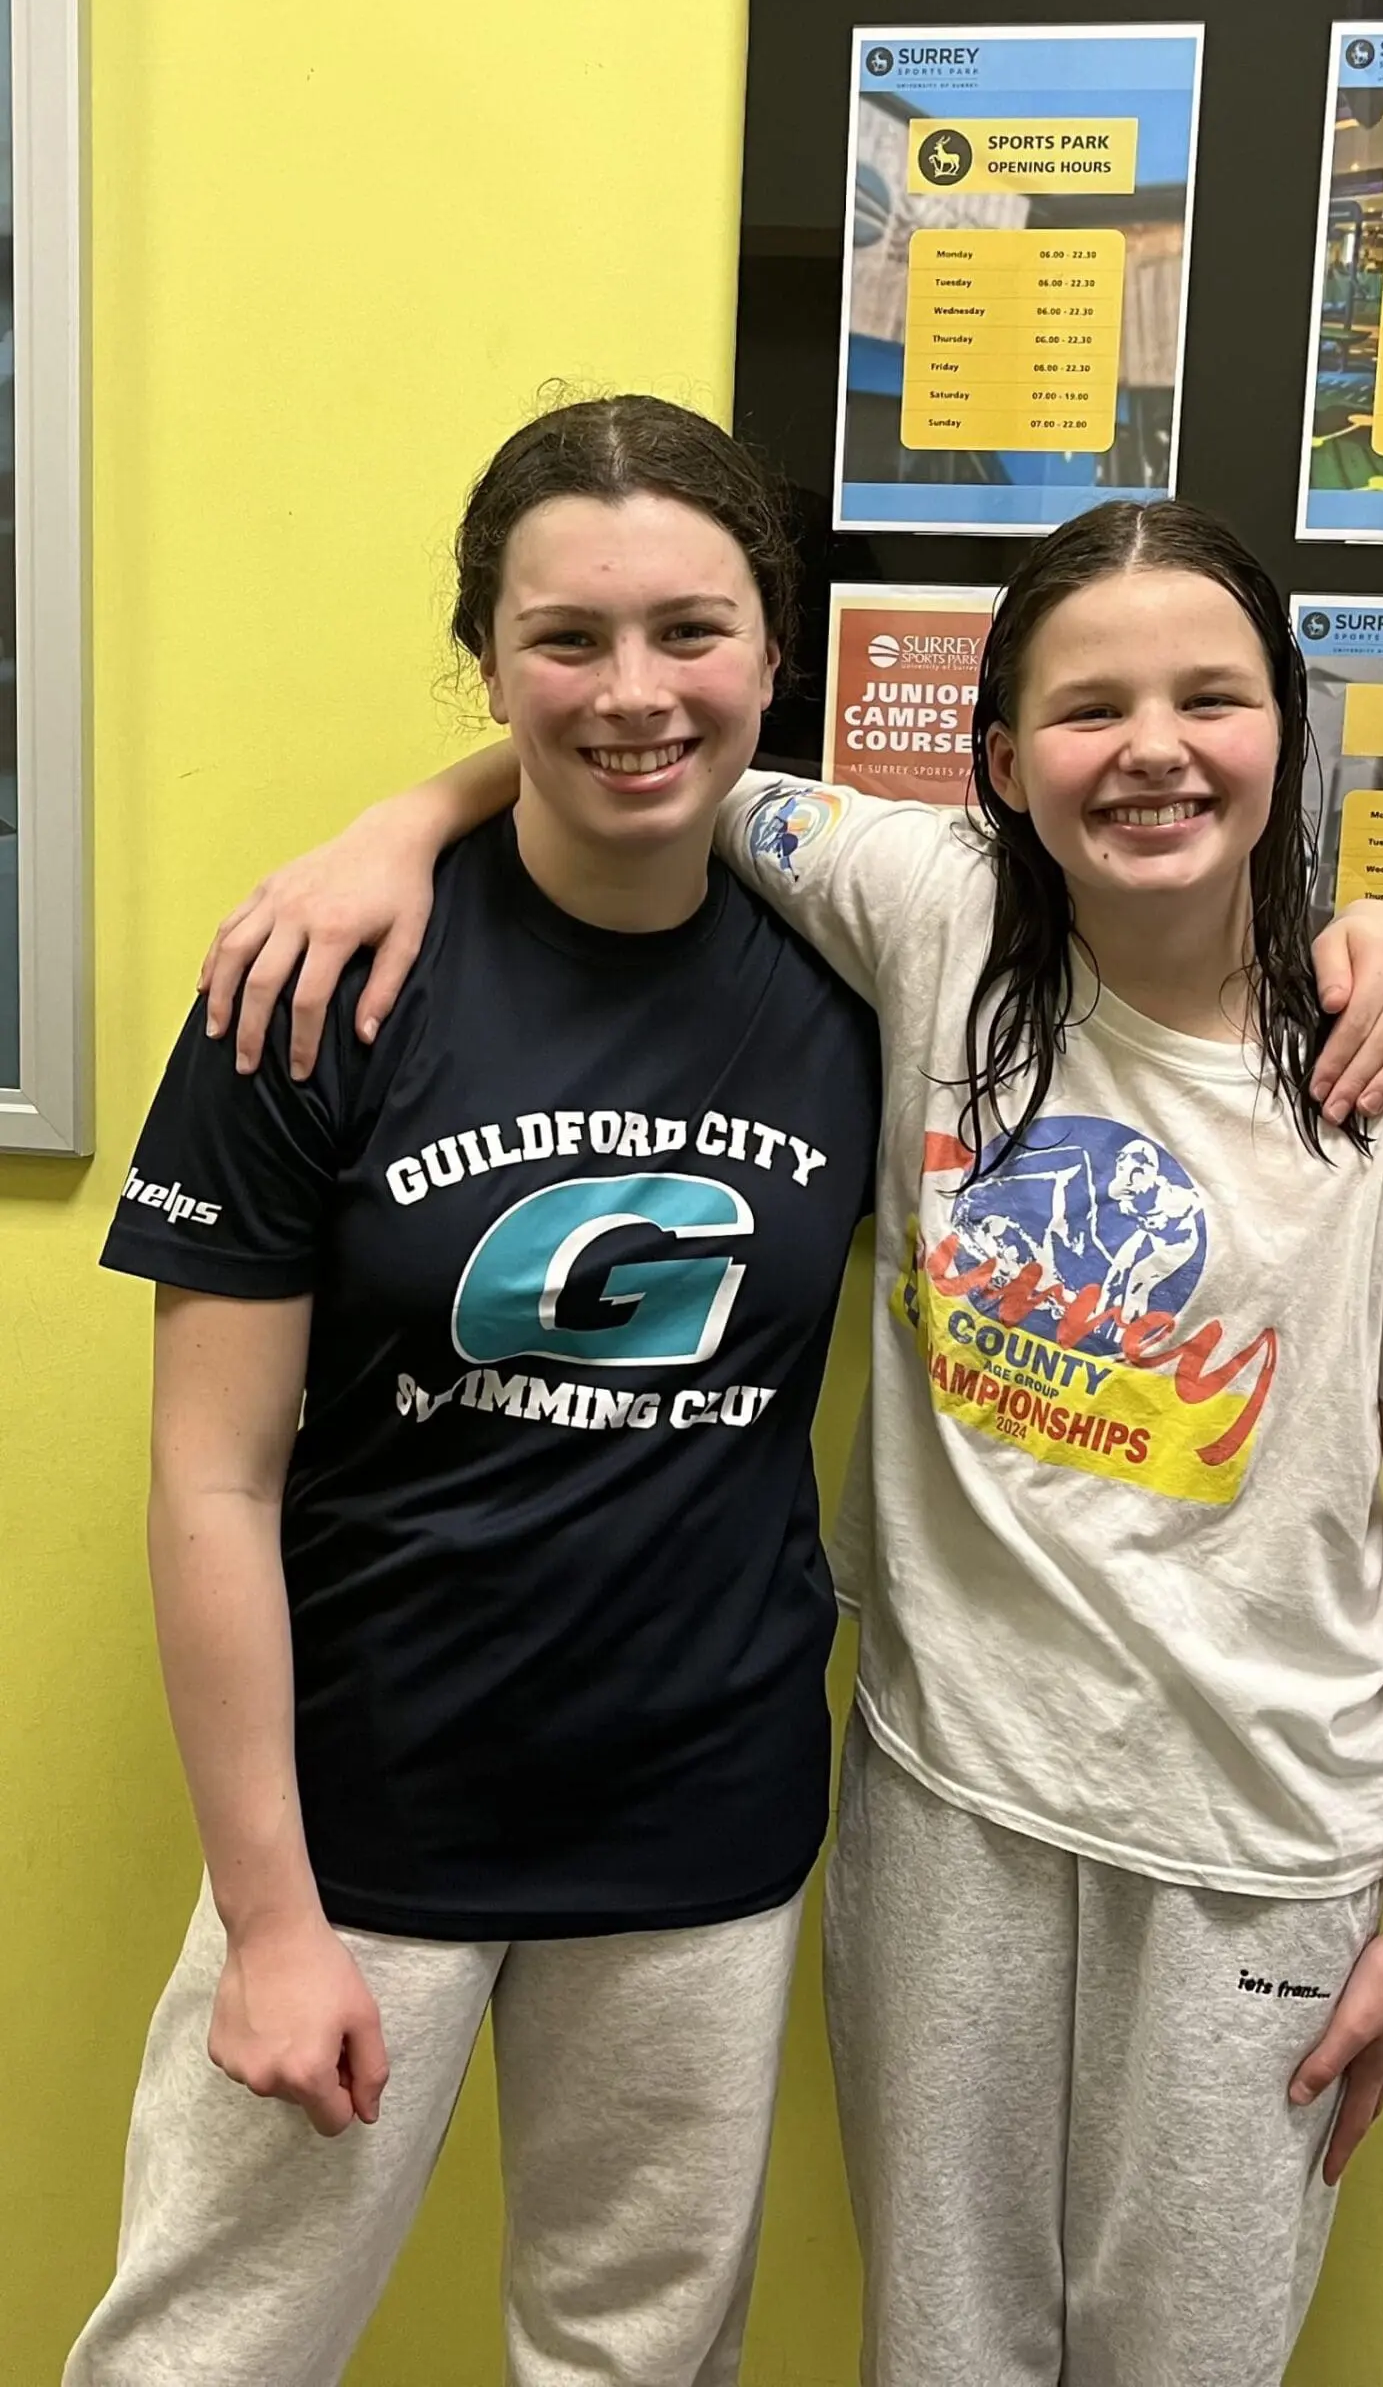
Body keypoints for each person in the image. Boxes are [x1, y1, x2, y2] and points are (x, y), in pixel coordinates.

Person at [201, 484, 1383, 2387]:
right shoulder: (929, 911)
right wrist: (399, 823)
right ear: (997, 761)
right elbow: (639, 747)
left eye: (1211, 700)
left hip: (1260, 1847)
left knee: (1187, 2359)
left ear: (1286, 735)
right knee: (946, 2354)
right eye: (1087, 709)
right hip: (948, 1810)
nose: (1151, 749)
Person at [70, 398, 890, 2387]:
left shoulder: (868, 968)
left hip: (699, 1824)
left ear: (776, 648)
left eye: (690, 631)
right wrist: (270, 1913)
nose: (633, 691)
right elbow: (209, 1484)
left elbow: (1165, 917)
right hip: (363, 1830)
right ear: (487, 654)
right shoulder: (313, 980)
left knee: (633, 2354)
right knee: (207, 2348)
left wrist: (1372, 933)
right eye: (565, 638)